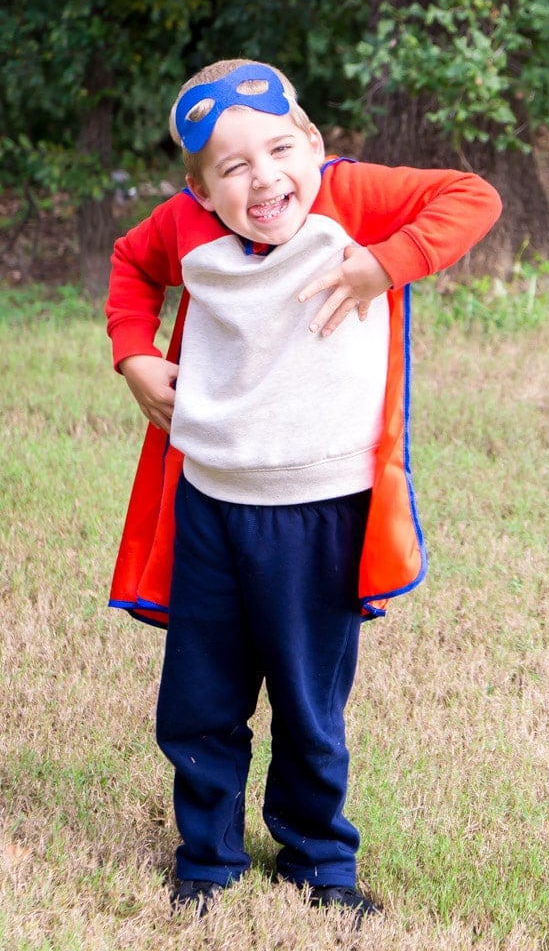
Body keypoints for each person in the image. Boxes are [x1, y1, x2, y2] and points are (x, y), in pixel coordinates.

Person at [105, 58, 502, 922]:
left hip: (324, 507)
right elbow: (131, 266)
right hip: (210, 500)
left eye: (279, 149)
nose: (263, 178)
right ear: (200, 188)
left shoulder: (348, 196)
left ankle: (319, 858)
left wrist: (383, 265)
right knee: (201, 699)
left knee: (308, 700)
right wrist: (134, 353)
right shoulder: (183, 226)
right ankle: (205, 860)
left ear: (313, 143)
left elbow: (472, 196)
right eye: (233, 166)